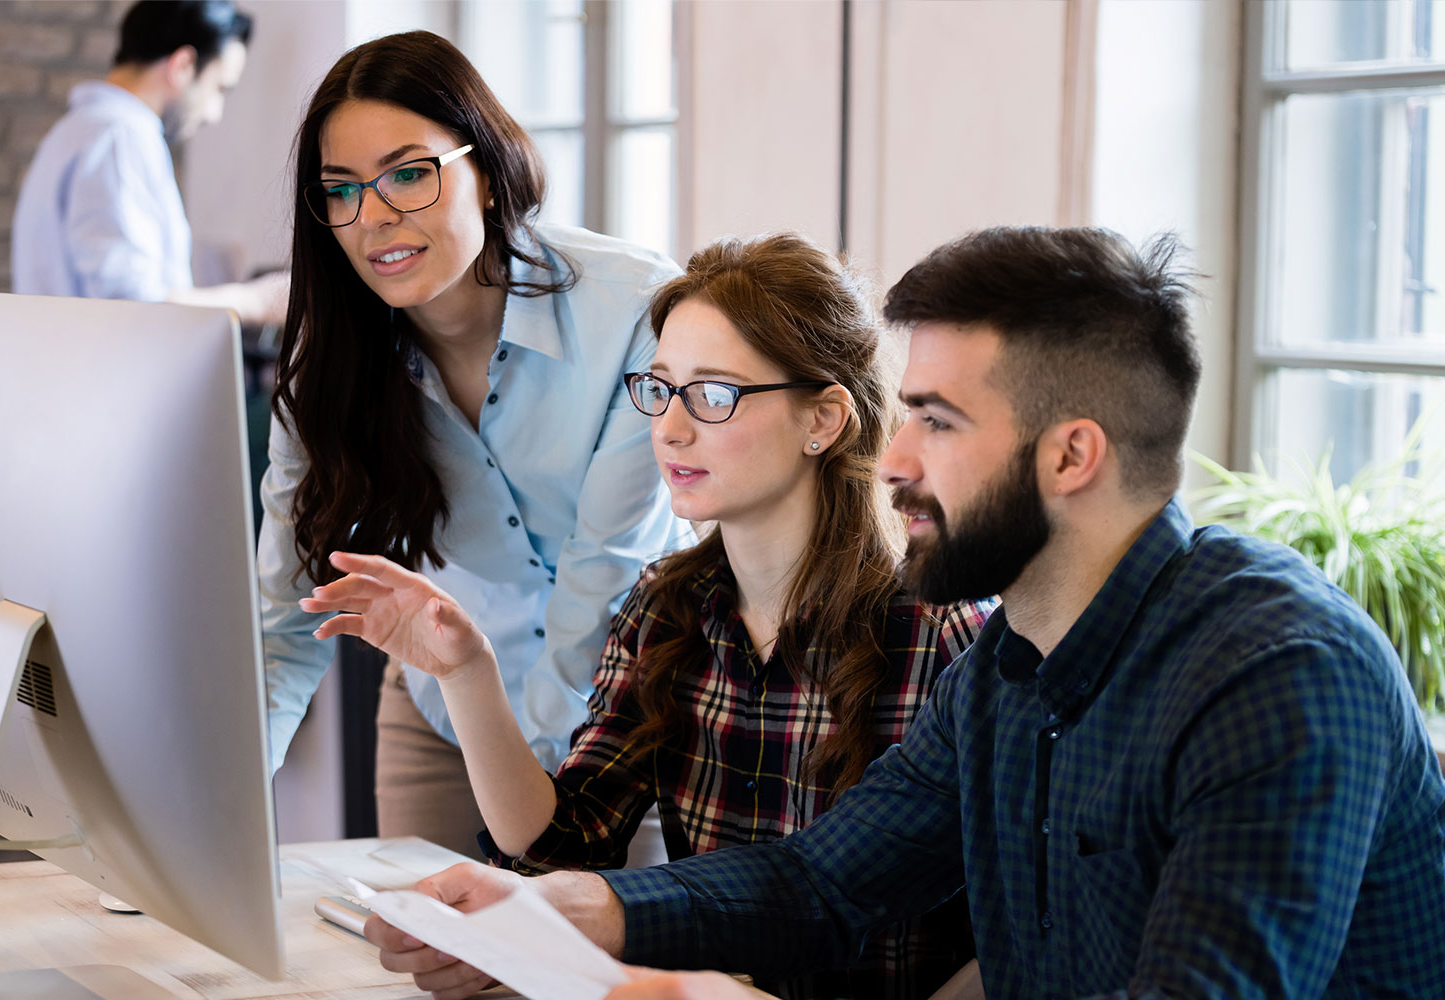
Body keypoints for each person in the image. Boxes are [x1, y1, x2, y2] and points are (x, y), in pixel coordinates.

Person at [365, 227, 1445, 999]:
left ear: (1070, 454)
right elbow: (822, 882)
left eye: (935, 420)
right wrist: (576, 909)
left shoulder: (1279, 672)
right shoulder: (1010, 664)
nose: (892, 459)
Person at [302, 234, 992, 999]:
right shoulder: (669, 605)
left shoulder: (943, 634)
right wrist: (467, 672)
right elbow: (566, 842)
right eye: (659, 389)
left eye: (714, 394)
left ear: (822, 420)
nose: (669, 428)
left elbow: (1010, 934)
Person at [259, 31, 687, 859]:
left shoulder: (634, 311)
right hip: (440, 707)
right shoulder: (332, 374)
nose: (374, 216)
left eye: (409, 174)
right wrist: (214, 818)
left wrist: (526, 816)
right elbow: (283, 623)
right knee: (416, 974)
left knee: (594, 984)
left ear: (485, 171)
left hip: (626, 722)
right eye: (340, 190)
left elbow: (603, 587)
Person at [11, 0, 285, 324]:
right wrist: (258, 301)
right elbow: (135, 307)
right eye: (219, 88)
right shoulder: (119, 138)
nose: (214, 113)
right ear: (182, 65)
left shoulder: (76, 131)